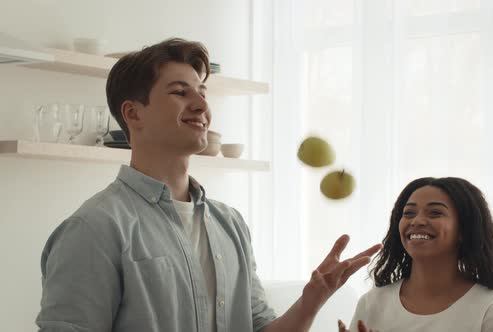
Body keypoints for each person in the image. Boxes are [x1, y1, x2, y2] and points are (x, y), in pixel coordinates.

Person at [35, 38, 382, 332]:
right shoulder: (94, 229)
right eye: (180, 92)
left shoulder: (229, 223)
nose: (202, 105)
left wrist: (311, 302)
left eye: (202, 92)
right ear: (133, 113)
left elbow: (259, 326)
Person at [338, 177, 493, 332]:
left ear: (464, 230)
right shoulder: (372, 304)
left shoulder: (490, 308)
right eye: (409, 213)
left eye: (435, 213)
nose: (417, 221)